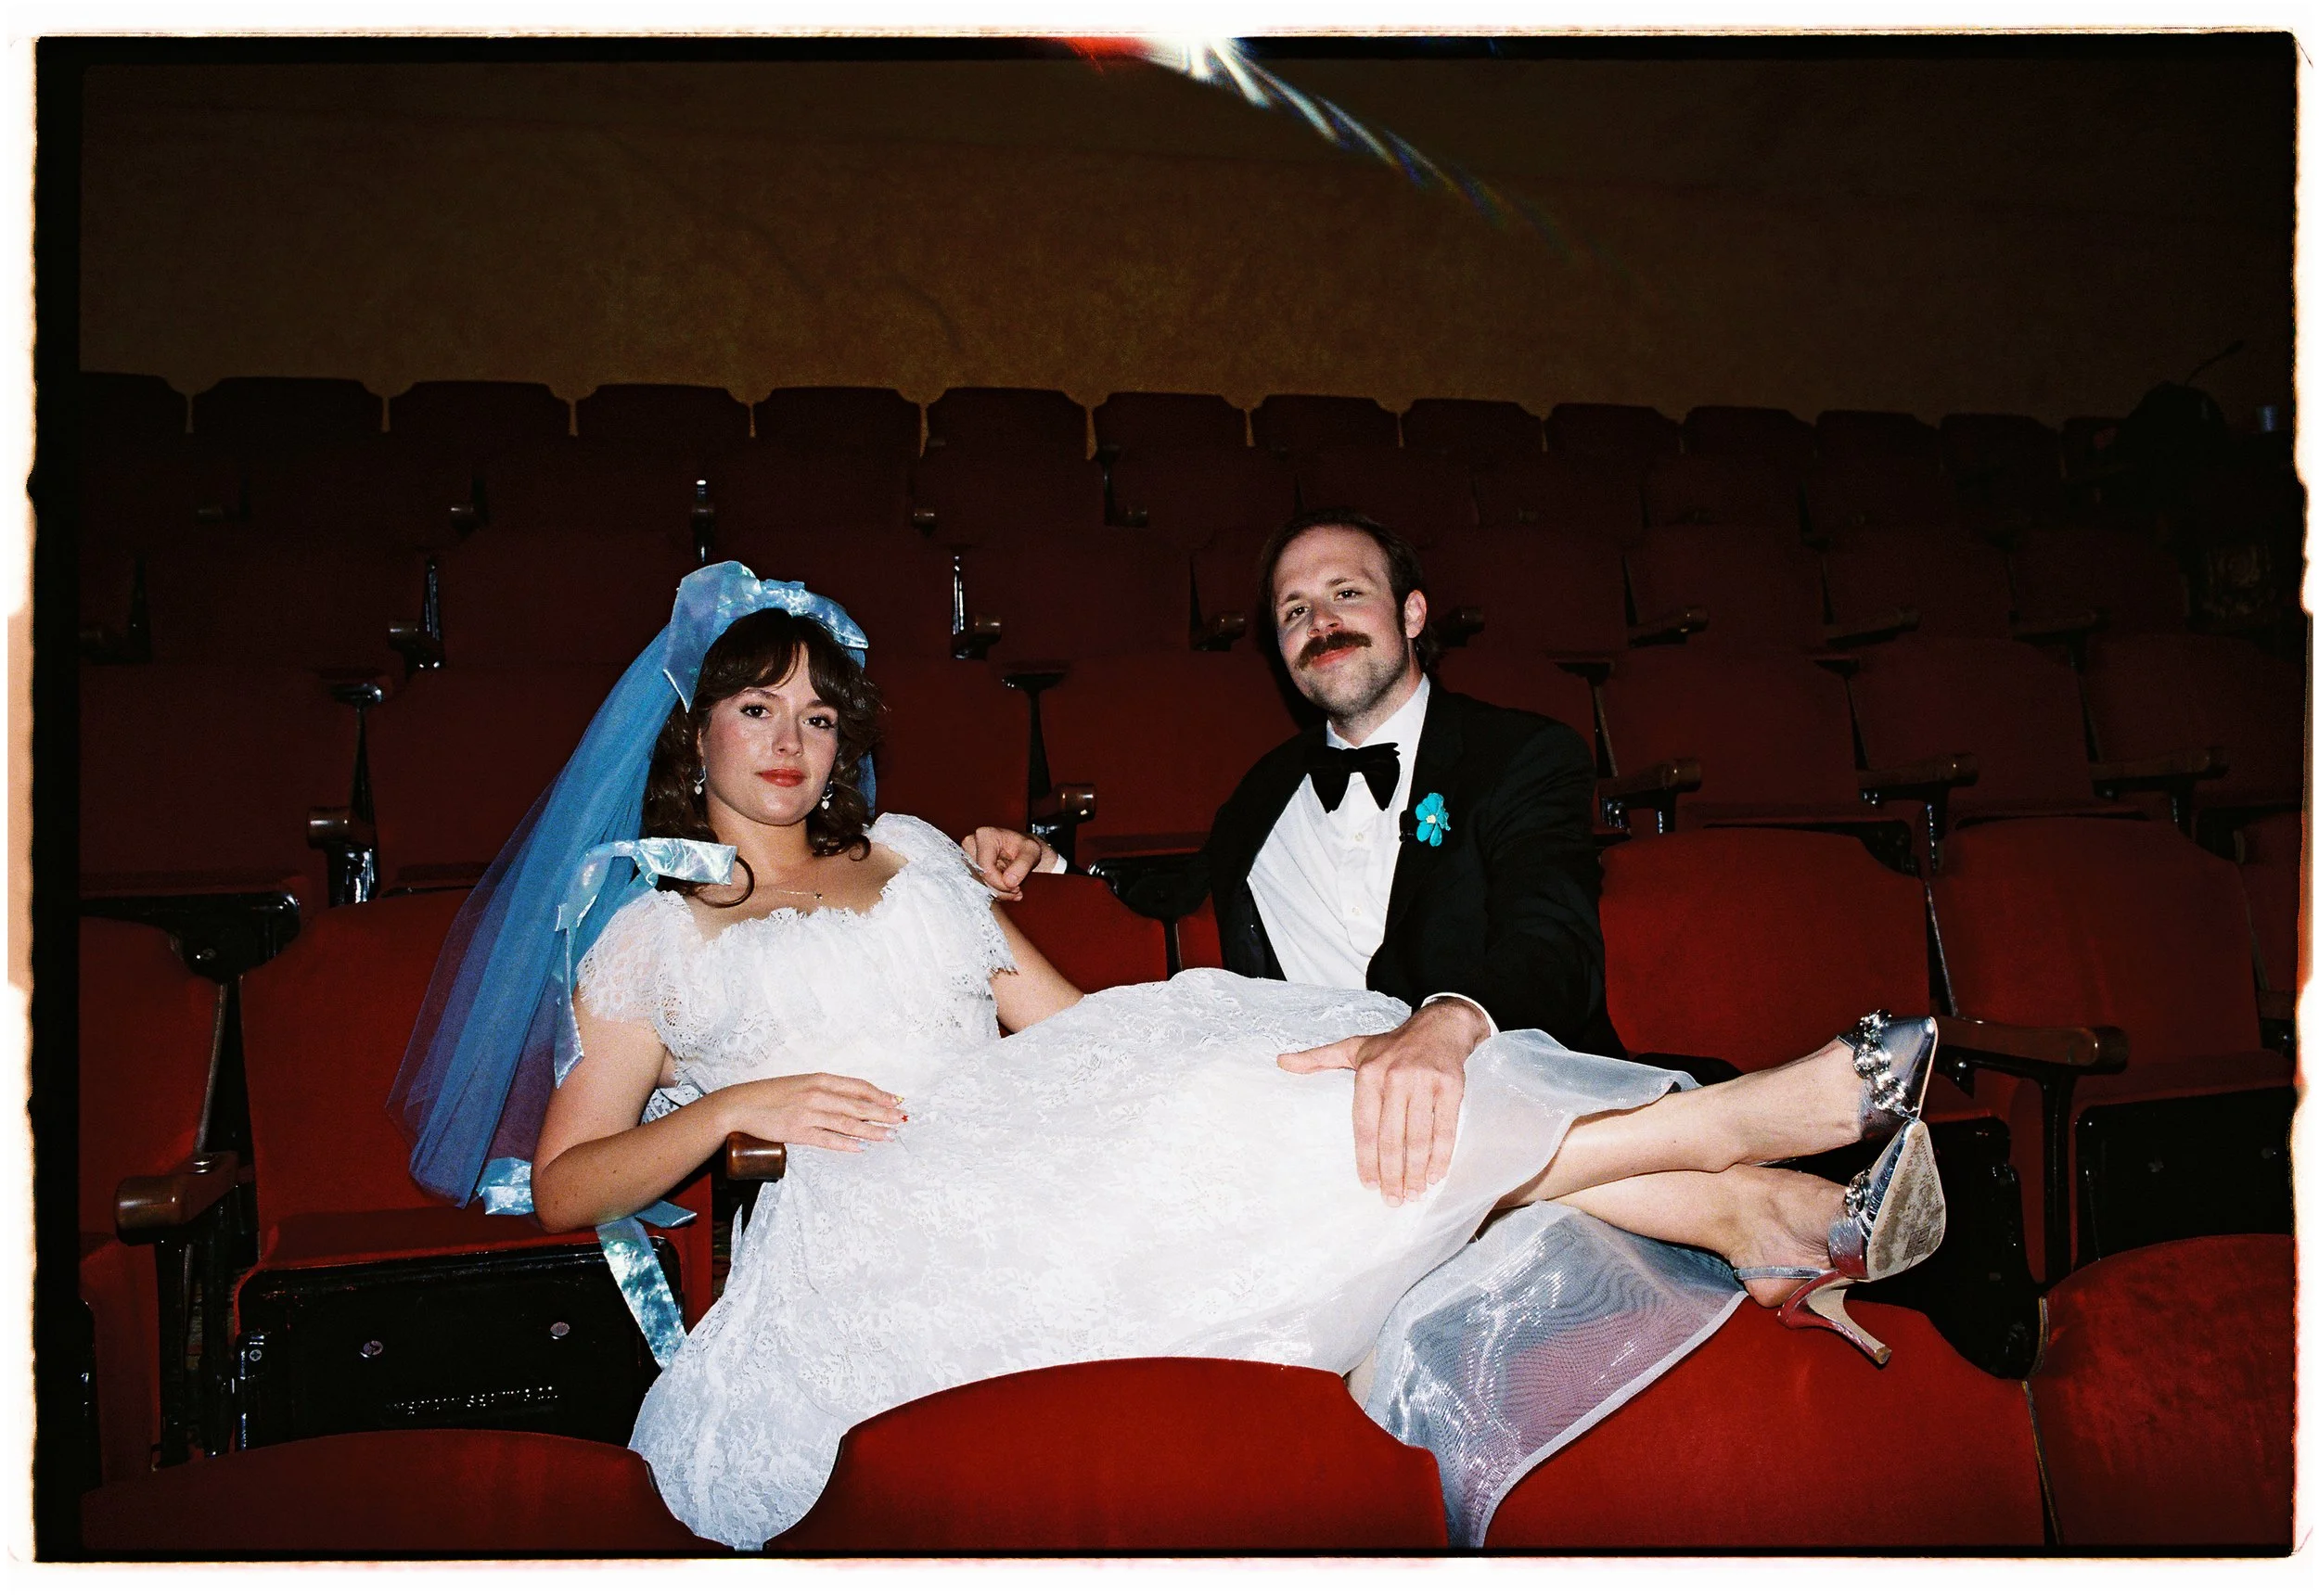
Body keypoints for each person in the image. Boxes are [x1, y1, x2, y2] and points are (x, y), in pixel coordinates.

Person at [391, 563, 1948, 1550]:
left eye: (817, 710)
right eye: (756, 707)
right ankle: (1753, 1143)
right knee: (1310, 1096)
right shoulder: (649, 930)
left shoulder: (921, 851)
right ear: (701, 733)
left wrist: (1219, 1050)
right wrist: (735, 1102)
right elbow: (569, 1181)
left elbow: (1066, 1028)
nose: (792, 738)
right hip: (886, 1221)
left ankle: (1759, 1203)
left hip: (1034, 1132)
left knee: (1333, 1063)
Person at [963, 510, 1616, 1207]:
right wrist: (1051, 864)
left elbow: (1555, 942)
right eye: (1295, 609)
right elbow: (1177, 894)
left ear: (1414, 612)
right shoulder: (1264, 791)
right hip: (1336, 1145)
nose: (1322, 621)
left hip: (1511, 1090)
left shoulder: (1521, 755)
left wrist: (1450, 1021)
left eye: (1347, 592)